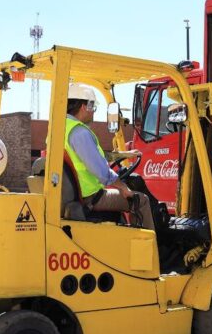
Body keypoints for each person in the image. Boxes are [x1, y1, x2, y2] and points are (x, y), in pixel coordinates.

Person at [65, 84, 154, 230]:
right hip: (90, 196)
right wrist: (123, 187)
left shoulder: (62, 128)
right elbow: (101, 172)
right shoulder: (79, 132)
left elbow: (96, 156)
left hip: (75, 193)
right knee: (141, 200)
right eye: (93, 107)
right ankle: (149, 248)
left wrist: (125, 154)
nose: (93, 112)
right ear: (84, 106)